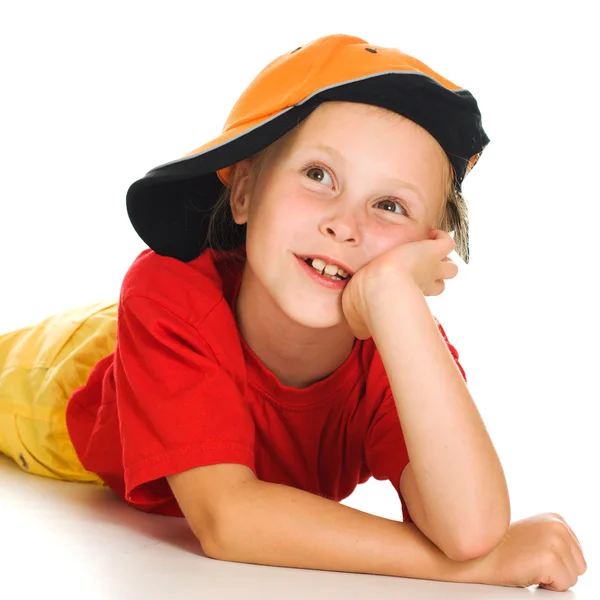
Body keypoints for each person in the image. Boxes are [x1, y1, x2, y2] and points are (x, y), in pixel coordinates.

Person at [0, 34, 586, 591]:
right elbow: (227, 519)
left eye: (389, 205)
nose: (345, 225)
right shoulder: (168, 295)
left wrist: (391, 299)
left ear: (427, 248)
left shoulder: (404, 351)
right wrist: (473, 571)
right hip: (73, 377)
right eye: (318, 175)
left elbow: (472, 529)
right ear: (244, 191)